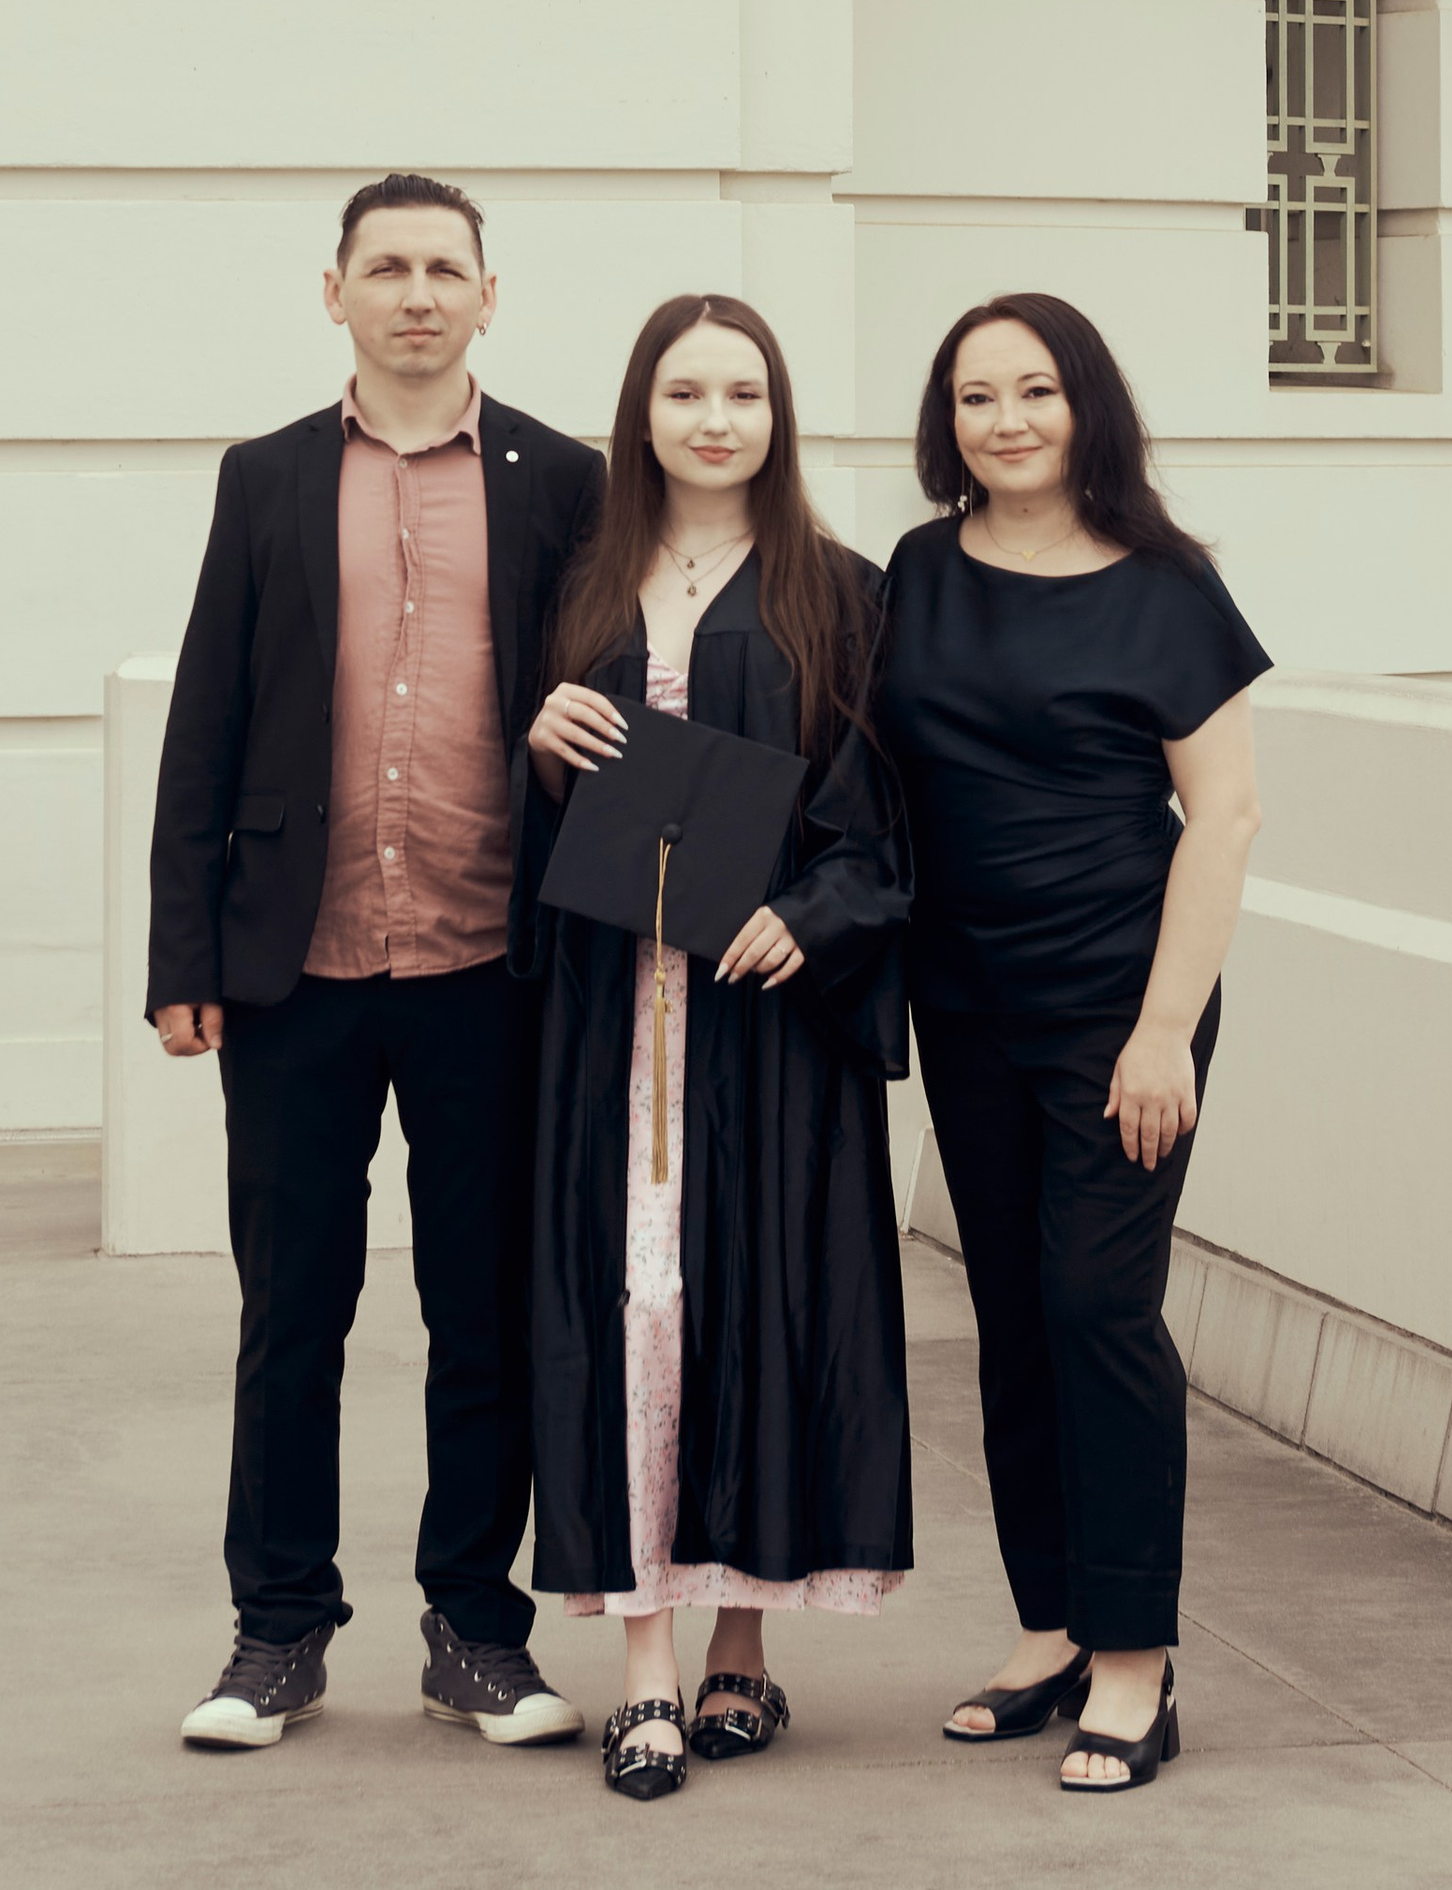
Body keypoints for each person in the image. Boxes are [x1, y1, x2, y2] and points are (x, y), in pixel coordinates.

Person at [145, 174, 604, 1755]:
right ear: (331, 290)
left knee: (485, 1316)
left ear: (490, 296)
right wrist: (179, 953)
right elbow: (206, 719)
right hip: (299, 965)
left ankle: (476, 1630)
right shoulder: (266, 477)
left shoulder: (569, 480)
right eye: (387, 267)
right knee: (296, 1310)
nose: (418, 292)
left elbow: (624, 700)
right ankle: (276, 1634)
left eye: (445, 269)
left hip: (497, 964)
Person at [520, 294, 912, 1802]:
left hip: (765, 1021)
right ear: (643, 412)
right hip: (611, 1017)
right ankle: (643, 1672)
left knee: (762, 1300)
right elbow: (530, 799)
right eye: (684, 390)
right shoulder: (580, 588)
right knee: (631, 1307)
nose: (713, 418)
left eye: (742, 390)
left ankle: (746, 1648)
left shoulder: (840, 594)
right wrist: (540, 744)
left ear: (777, 413)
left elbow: (885, 820)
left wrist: (815, 915)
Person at [881, 295, 1267, 1797]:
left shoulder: (1168, 589)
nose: (1006, 420)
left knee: (1101, 1311)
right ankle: (1048, 1629)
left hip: (1120, 1010)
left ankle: (1135, 1664)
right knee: (1014, 1319)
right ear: (949, 423)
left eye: (1033, 390)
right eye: (977, 397)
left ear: (1083, 404)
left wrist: (1165, 1027)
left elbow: (1223, 816)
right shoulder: (919, 571)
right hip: (962, 1005)